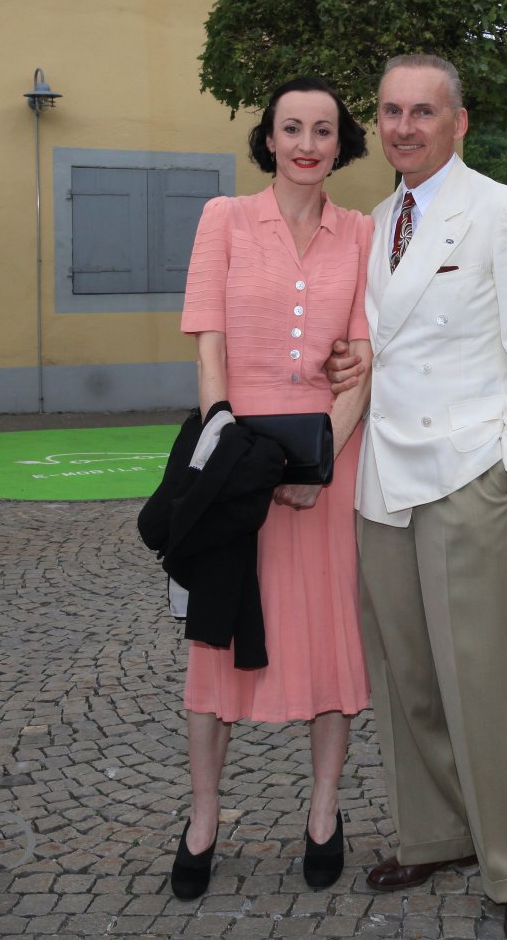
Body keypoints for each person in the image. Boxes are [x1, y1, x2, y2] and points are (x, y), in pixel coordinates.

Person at [329, 54, 507, 940]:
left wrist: (505, 469)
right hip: (384, 479)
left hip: (466, 473)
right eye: (391, 111)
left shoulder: (501, 211)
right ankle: (438, 833)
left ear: (458, 122)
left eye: (423, 111)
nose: (404, 127)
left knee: (486, 683)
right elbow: (376, 344)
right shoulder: (377, 223)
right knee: (408, 679)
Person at [172, 76, 375, 898]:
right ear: (267, 138)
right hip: (235, 453)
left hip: (326, 454)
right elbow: (209, 344)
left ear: (340, 143)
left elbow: (363, 359)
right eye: (292, 127)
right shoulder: (223, 218)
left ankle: (324, 811)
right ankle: (203, 817)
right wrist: (228, 449)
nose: (306, 143)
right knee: (215, 642)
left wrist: (319, 464)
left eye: (323, 129)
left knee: (329, 641)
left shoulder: (359, 232)